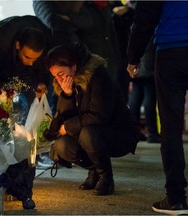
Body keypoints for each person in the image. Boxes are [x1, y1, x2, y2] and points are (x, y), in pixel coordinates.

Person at [44, 42, 140, 195]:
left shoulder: (98, 76)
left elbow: (99, 115)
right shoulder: (67, 82)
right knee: (62, 145)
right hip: (89, 131)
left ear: (74, 66)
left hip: (118, 132)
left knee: (88, 134)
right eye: (55, 76)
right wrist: (67, 95)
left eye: (61, 74)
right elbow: (63, 115)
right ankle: (94, 170)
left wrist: (68, 127)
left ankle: (106, 177)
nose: (59, 79)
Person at [0, 15, 51, 210]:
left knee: (25, 134)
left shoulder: (44, 39)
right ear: (18, 45)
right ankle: (3, 182)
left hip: (22, 81)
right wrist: (1, 96)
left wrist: (42, 83)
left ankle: (22, 188)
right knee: (3, 129)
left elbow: (41, 68)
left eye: (35, 58)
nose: (30, 62)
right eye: (27, 57)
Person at [126, 1, 188, 214]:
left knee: (171, 128)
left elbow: (144, 18)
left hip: (171, 52)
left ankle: (176, 198)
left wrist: (134, 57)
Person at [128, 39, 161, 143]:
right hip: (149, 64)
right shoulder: (150, 24)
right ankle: (152, 133)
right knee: (149, 98)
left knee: (135, 97)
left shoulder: (134, 25)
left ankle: (134, 132)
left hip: (136, 65)